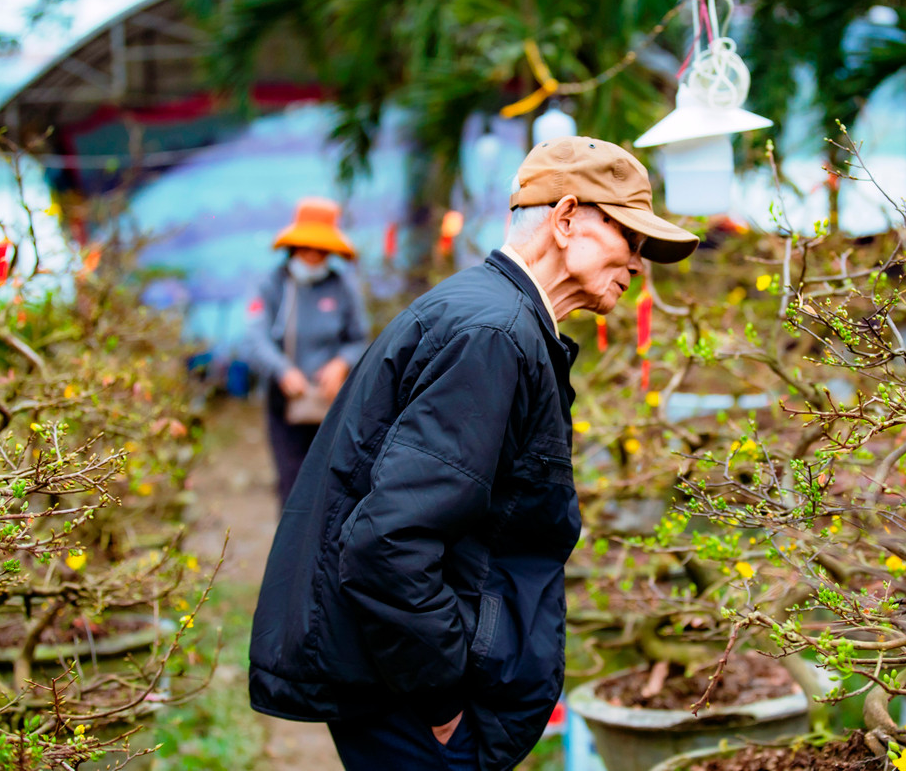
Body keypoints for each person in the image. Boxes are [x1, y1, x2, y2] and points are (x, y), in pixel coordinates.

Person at [248, 137, 700, 771]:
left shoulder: (495, 318)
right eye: (629, 235)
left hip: (398, 678)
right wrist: (443, 695)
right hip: (409, 697)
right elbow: (389, 542)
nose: (638, 263)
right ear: (566, 220)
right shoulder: (490, 335)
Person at [243, 197, 370, 506]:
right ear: (294, 247)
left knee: (331, 482)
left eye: (319, 250)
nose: (312, 256)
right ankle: (290, 550)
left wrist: (341, 363)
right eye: (306, 248)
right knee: (291, 479)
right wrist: (282, 369)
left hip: (330, 401)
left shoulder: (342, 287)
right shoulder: (272, 286)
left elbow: (359, 338)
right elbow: (255, 337)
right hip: (286, 401)